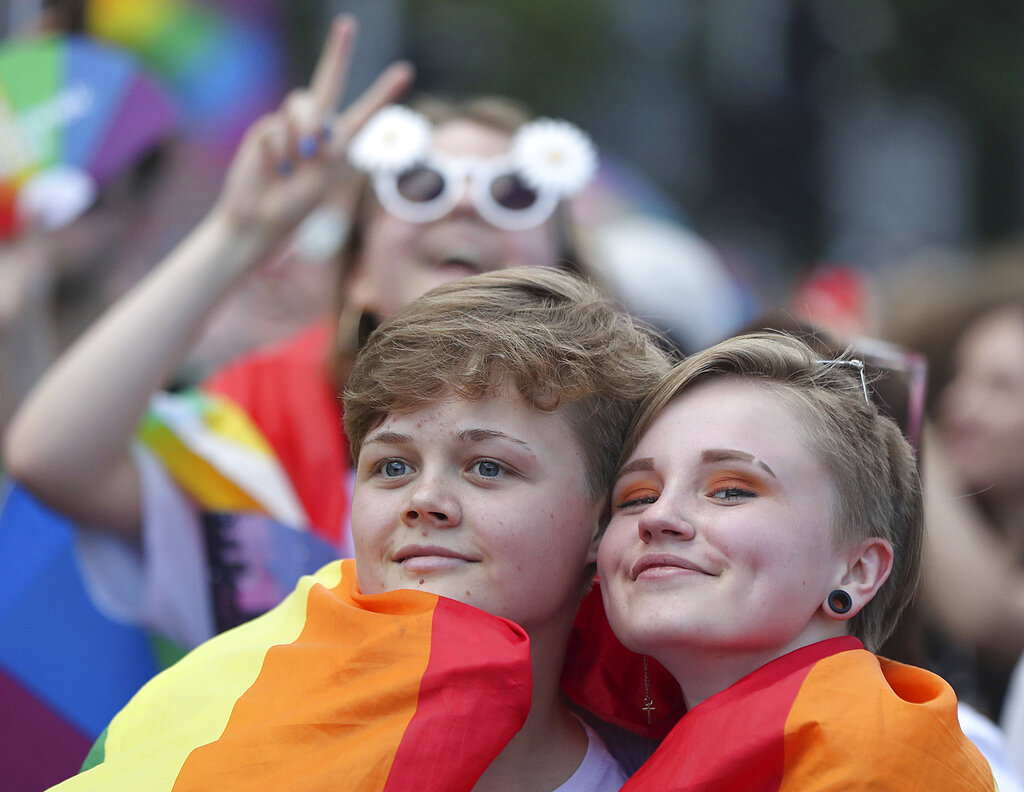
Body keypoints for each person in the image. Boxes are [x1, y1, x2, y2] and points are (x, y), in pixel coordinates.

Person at [3, 15, 602, 647]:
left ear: (563, 271)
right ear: (360, 273)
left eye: (515, 193)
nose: (463, 203)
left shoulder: (633, 449)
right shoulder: (256, 435)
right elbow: (52, 459)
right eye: (418, 184)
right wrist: (240, 231)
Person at [51, 267, 671, 792]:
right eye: (391, 466)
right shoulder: (200, 709)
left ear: (604, 522)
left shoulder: (664, 767)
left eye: (488, 467)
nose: (424, 501)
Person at [597, 332, 995, 789]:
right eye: (635, 497)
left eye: (730, 490)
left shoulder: (875, 762)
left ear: (857, 571)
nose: (657, 516)